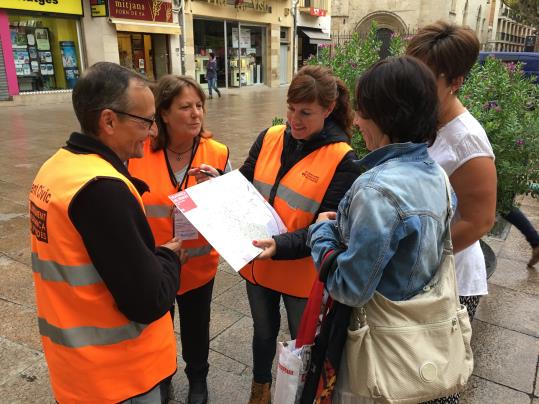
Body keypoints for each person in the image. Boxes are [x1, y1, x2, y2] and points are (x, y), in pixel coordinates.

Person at [194, 65, 360, 403]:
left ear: (328, 110)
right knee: (263, 332)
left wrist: (279, 246)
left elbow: (324, 229)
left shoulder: (343, 159)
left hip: (301, 274)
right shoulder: (270, 136)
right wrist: (219, 182)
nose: (294, 120)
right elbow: (246, 183)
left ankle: (300, 394)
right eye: (290, 109)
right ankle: (261, 388)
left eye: (306, 113)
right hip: (259, 262)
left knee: (302, 343)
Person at [29, 62, 183, 403]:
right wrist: (169, 256)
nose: (154, 132)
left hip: (76, 367)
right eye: (145, 121)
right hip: (119, 375)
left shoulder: (56, 167)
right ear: (109, 121)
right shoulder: (103, 190)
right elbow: (149, 300)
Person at [307, 55, 453, 403]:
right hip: (416, 339)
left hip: (376, 347)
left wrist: (320, 232)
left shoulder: (376, 191)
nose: (356, 121)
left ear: (390, 117)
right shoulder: (437, 176)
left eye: (364, 112)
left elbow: (349, 287)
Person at [128, 75, 230, 404]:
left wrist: (223, 185)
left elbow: (234, 209)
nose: (196, 113)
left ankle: (198, 380)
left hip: (199, 266)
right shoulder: (138, 153)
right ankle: (164, 378)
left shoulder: (216, 152)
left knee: (197, 328)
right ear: (164, 114)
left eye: (199, 106)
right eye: (185, 107)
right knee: (158, 330)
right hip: (154, 265)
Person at [406, 21, 497, 322]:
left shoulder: (467, 141)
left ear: (455, 82)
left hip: (451, 283)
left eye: (425, 79)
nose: (413, 86)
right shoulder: (426, 117)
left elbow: (479, 220)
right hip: (418, 276)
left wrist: (420, 260)